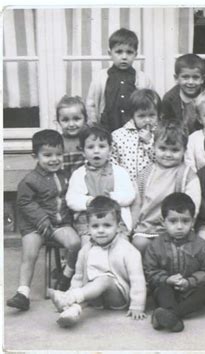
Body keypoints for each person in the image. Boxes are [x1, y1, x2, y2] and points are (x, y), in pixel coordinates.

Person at [7, 130, 81, 311]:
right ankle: (23, 293)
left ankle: (66, 276)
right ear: (35, 156)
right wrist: (42, 220)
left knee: (75, 243)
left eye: (58, 154)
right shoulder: (30, 180)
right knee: (29, 254)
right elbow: (24, 202)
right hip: (34, 226)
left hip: (59, 223)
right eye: (47, 155)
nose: (54, 159)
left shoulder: (65, 176)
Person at [48, 196, 147, 328]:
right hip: (94, 298)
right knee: (86, 288)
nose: (101, 230)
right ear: (88, 228)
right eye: (95, 226)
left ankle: (70, 297)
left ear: (118, 227)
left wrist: (137, 305)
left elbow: (137, 279)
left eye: (107, 225)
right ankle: (72, 310)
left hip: (118, 297)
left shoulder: (128, 250)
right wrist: (72, 293)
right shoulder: (85, 250)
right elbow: (77, 277)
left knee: (104, 279)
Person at [143, 193, 205, 332]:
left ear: (192, 221)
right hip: (167, 288)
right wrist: (167, 279)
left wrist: (190, 282)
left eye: (185, 221)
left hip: (191, 289)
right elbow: (150, 271)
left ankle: (171, 315)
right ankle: (171, 315)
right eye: (173, 221)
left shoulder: (200, 245)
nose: (179, 227)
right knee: (161, 290)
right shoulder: (156, 245)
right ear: (163, 221)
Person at [131, 122, 201, 255]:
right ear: (154, 147)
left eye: (174, 150)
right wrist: (132, 227)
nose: (168, 154)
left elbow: (193, 206)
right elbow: (137, 203)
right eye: (162, 148)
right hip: (149, 227)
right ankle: (144, 273)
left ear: (184, 151)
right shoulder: (145, 174)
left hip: (177, 225)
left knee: (177, 249)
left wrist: (186, 224)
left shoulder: (187, 175)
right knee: (139, 243)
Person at [66, 126, 135, 244]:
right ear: (83, 151)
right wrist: (88, 201)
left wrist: (113, 197)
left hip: (115, 220)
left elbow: (129, 195)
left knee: (123, 245)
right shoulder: (79, 174)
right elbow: (71, 199)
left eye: (102, 146)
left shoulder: (119, 172)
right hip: (89, 222)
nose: (96, 151)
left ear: (110, 150)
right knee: (87, 245)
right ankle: (86, 262)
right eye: (90, 147)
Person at [86, 28, 154, 132]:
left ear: (135, 54)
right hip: (107, 129)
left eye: (129, 52)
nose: (124, 57)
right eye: (119, 52)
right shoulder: (101, 77)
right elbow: (91, 104)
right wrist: (94, 125)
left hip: (134, 131)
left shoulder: (143, 79)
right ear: (110, 53)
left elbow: (152, 104)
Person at [111, 89, 161, 181]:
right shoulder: (118, 135)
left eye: (152, 115)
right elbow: (112, 162)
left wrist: (149, 142)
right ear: (132, 116)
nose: (147, 120)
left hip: (152, 185)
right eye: (142, 116)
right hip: (126, 185)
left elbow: (161, 160)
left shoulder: (160, 134)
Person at [162, 53, 205, 134]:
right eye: (185, 77)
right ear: (176, 78)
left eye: (195, 77)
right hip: (177, 139)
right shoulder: (169, 99)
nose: (190, 82)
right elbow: (165, 126)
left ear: (202, 79)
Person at [55, 95, 87, 178]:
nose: (71, 124)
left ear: (85, 119)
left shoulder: (89, 140)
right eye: (65, 120)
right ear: (58, 121)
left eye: (76, 119)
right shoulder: (57, 142)